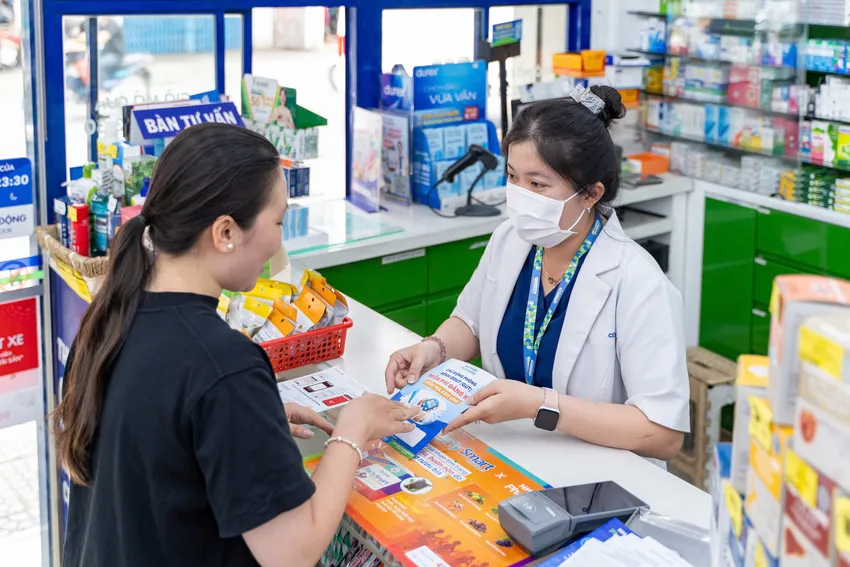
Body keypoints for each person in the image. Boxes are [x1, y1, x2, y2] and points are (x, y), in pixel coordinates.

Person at [55, 123, 418, 567]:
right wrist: (352, 430)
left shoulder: (107, 322)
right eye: (278, 221)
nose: (279, 240)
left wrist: (247, 422)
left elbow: (154, 447)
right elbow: (292, 551)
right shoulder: (224, 365)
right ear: (225, 232)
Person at [385, 86, 689, 463]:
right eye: (513, 176)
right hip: (506, 453)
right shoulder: (511, 240)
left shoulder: (639, 283)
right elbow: (471, 322)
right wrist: (434, 348)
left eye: (537, 184)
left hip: (595, 474)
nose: (520, 194)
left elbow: (662, 433)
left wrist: (541, 405)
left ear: (591, 194)